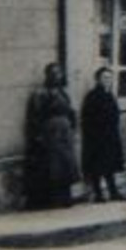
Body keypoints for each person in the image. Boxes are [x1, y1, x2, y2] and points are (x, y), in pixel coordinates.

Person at [24, 62, 79, 209]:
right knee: (52, 167)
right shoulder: (40, 94)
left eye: (59, 73)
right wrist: (38, 135)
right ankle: (52, 199)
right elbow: (35, 116)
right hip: (50, 133)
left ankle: (66, 197)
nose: (57, 77)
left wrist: (72, 126)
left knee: (66, 165)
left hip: (64, 133)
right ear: (47, 76)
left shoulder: (63, 93)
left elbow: (71, 111)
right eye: (53, 74)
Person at [80, 66, 126, 203]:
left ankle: (113, 191)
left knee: (110, 165)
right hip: (97, 137)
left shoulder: (110, 95)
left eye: (110, 78)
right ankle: (98, 194)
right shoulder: (92, 96)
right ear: (98, 80)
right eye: (105, 78)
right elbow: (87, 118)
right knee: (97, 166)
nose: (108, 80)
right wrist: (93, 134)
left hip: (110, 135)